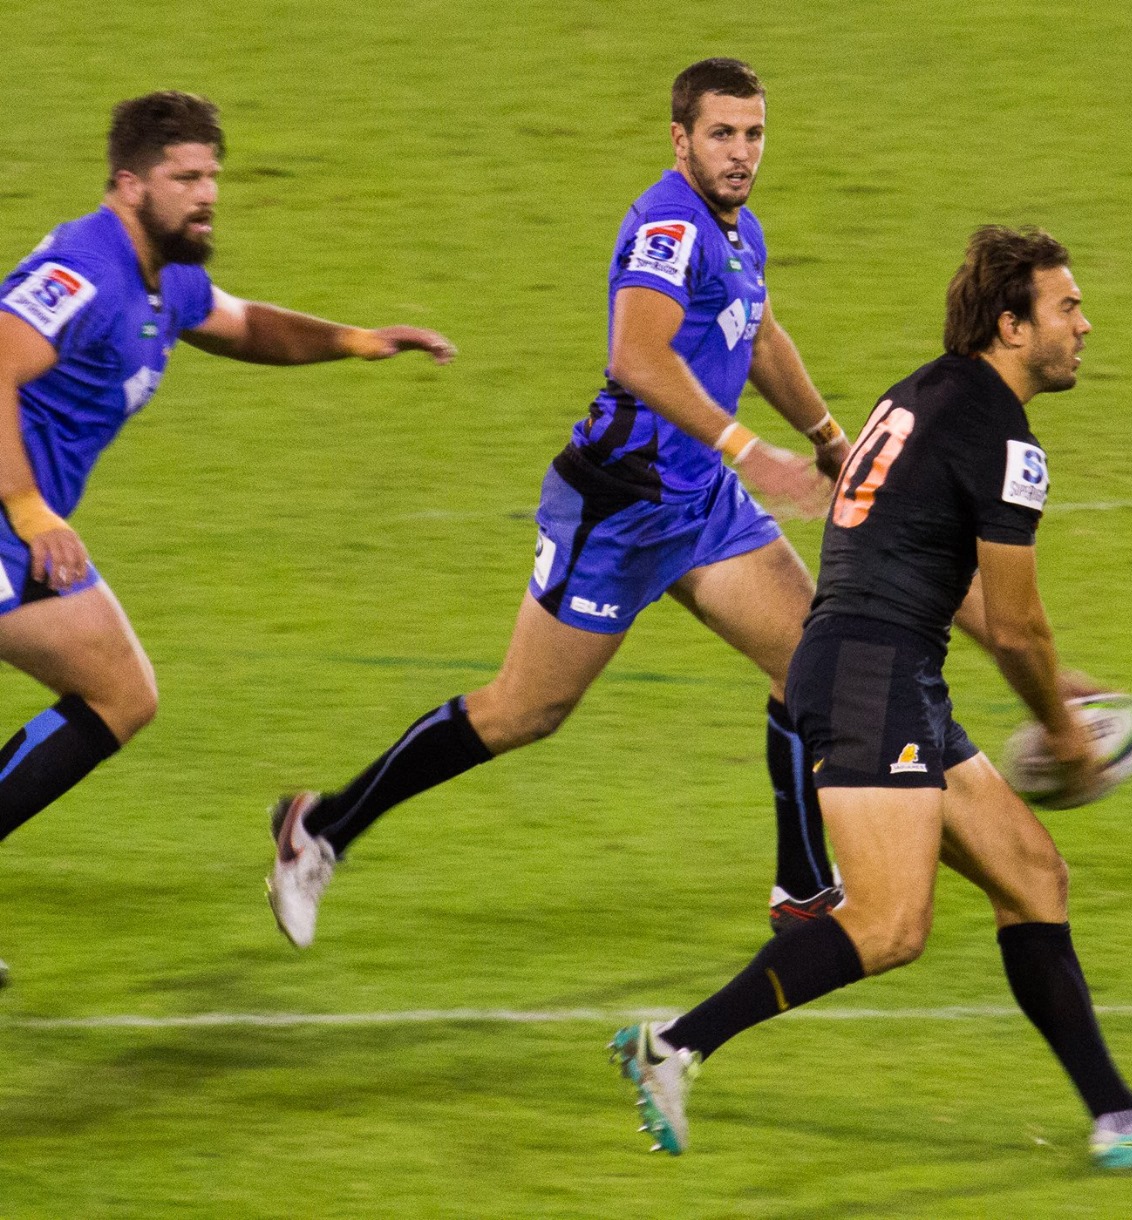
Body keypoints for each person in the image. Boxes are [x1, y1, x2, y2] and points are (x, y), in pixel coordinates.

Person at [608, 226, 1132, 1169]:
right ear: (1012, 326)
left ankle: (1118, 1120)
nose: (1085, 325)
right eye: (1067, 308)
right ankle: (676, 1046)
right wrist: (1064, 734)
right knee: (890, 925)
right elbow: (1020, 627)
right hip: (876, 680)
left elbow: (933, 573)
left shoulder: (919, 394)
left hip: (881, 667)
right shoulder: (1005, 443)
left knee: (1033, 877)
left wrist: (1053, 691)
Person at [264, 57, 855, 947]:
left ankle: (803, 891)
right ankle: (319, 829)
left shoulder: (740, 232)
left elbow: (759, 330)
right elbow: (638, 358)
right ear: (680, 139)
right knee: (523, 712)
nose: (741, 153)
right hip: (617, 510)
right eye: (722, 134)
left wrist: (825, 434)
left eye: (754, 133)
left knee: (814, 664)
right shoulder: (667, 224)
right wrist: (750, 449)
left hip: (700, 505)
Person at [0, 90, 455, 987]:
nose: (207, 194)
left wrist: (357, 341)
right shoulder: (85, 269)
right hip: (15, 522)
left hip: (26, 535)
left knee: (121, 693)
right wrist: (27, 508)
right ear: (129, 184)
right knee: (115, 688)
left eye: (213, 175)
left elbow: (245, 326)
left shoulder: (164, 278)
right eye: (185, 177)